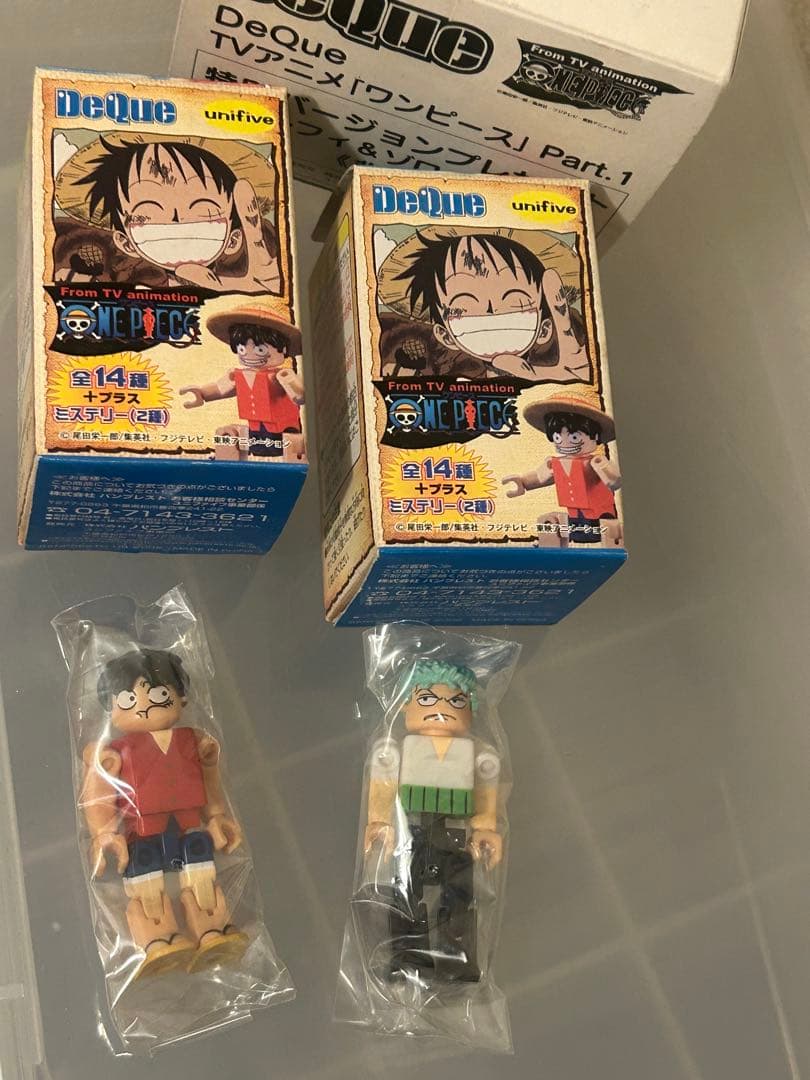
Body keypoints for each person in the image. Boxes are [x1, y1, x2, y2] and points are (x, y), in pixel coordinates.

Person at [81, 648, 247, 978]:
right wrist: (104, 833)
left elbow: (209, 783)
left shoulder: (193, 742)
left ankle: (212, 928)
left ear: (181, 698)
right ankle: (158, 938)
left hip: (189, 827)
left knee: (202, 875)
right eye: (129, 699)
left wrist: (216, 816)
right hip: (142, 832)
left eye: (158, 694)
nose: (144, 705)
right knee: (147, 885)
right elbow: (99, 795)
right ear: (113, 711)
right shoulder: (117, 752)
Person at [359, 660, 502, 983]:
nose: (441, 709)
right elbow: (384, 784)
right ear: (406, 706)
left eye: (456, 701)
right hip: (412, 834)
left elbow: (484, 789)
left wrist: (485, 828)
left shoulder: (473, 754)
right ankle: (405, 955)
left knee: (459, 896)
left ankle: (456, 956)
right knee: (406, 894)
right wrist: (380, 821)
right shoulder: (402, 751)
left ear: (470, 708)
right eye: (426, 699)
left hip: (455, 837)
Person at [55, 134, 280, 292]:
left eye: (204, 210)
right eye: (148, 214)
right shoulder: (132, 294)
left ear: (233, 240)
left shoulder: (246, 289)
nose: (176, 219)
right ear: (126, 243)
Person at [378, 227, 590, 382]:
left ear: (544, 330)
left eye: (516, 302)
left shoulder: (558, 382)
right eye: (465, 306)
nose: (490, 310)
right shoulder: (455, 390)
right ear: (445, 335)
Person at [181, 307, 305, 462]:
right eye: (241, 349)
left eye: (260, 349)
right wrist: (201, 393)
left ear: (284, 349)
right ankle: (226, 465)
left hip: (283, 430)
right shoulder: (237, 375)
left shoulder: (281, 375)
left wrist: (291, 384)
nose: (249, 355)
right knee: (229, 436)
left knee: (292, 447)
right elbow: (220, 388)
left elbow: (300, 396)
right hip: (254, 429)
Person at [502, 391, 622, 545]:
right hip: (573, 511)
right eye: (557, 437)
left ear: (596, 436)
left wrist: (603, 468)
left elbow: (615, 481)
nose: (565, 443)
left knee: (604, 536)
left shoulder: (596, 461)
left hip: (600, 512)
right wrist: (522, 482)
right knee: (566, 531)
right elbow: (540, 477)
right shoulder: (555, 463)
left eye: (574, 437)